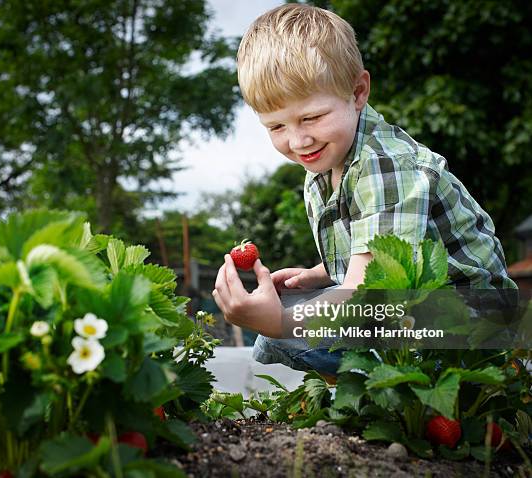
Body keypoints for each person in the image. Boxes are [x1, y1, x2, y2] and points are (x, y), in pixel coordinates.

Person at [212, 4, 517, 382]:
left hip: (475, 325)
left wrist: (281, 322)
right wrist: (319, 274)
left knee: (293, 329)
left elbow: (371, 289)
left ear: (358, 92)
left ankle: (395, 397)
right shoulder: (325, 166)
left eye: (311, 117)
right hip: (408, 307)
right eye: (276, 127)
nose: (298, 140)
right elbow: (378, 243)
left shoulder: (385, 164)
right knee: (295, 315)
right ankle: (366, 397)